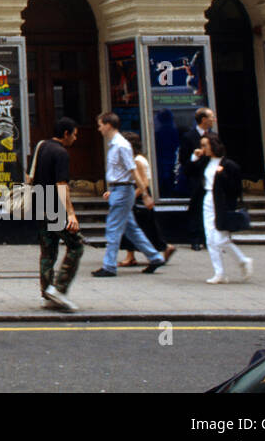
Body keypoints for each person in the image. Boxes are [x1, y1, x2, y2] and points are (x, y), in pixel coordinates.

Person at [92, 112, 166, 278]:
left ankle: (109, 266)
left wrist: (145, 194)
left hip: (123, 190)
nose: (99, 129)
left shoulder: (121, 146)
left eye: (100, 125)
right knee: (131, 228)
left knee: (113, 228)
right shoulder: (115, 145)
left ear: (109, 125)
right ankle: (155, 257)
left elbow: (132, 170)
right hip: (120, 189)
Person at [34, 117, 83, 312]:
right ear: (66, 134)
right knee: (76, 246)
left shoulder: (42, 146)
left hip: (40, 205)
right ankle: (59, 289)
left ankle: (46, 294)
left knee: (48, 252)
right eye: (75, 134)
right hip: (54, 208)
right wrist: (71, 214)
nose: (75, 139)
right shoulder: (61, 153)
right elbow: (61, 185)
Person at [200, 133, 253, 285]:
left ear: (213, 146)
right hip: (208, 200)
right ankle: (219, 272)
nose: (203, 149)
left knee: (220, 239)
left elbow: (234, 188)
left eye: (205, 145)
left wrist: (221, 176)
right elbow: (189, 170)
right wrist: (194, 156)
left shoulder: (229, 165)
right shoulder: (205, 162)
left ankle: (243, 260)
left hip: (221, 203)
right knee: (210, 239)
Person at [118, 131, 176, 267]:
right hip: (139, 196)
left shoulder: (137, 161)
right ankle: (135, 254)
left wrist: (132, 197)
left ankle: (132, 256)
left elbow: (143, 183)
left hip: (138, 197)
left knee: (133, 227)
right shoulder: (139, 159)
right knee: (144, 228)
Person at [178, 107, 215, 249]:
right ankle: (195, 238)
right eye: (211, 117)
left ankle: (208, 238)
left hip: (211, 177)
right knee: (196, 207)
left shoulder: (213, 136)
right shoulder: (189, 137)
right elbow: (183, 159)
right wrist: (195, 158)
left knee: (210, 208)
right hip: (195, 177)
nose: (213, 119)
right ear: (203, 119)